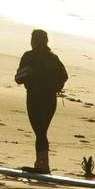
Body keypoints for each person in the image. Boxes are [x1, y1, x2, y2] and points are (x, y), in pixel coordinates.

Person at [14, 29, 69, 173]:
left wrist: (31, 77)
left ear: (35, 41)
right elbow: (64, 76)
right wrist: (53, 86)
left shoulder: (29, 56)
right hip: (50, 99)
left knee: (40, 131)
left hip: (35, 97)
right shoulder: (53, 57)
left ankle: (43, 165)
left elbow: (19, 78)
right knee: (42, 131)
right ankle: (42, 163)